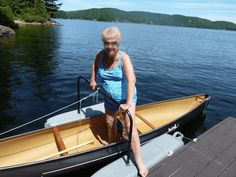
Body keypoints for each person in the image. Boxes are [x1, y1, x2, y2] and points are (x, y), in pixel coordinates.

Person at [90, 27, 148, 177]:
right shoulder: (100, 55)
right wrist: (93, 79)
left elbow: (132, 80)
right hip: (110, 99)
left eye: (113, 43)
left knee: (130, 127)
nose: (110, 46)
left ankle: (140, 162)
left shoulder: (124, 58)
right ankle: (112, 142)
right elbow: (94, 66)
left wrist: (128, 103)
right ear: (103, 43)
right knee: (110, 123)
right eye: (107, 43)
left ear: (119, 43)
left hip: (127, 98)